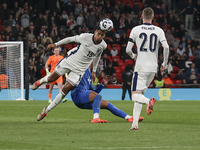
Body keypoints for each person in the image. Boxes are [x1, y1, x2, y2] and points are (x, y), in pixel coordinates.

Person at [32, 18, 114, 122]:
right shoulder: (85, 37)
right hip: (69, 62)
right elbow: (70, 39)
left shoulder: (103, 45)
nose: (99, 37)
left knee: (65, 91)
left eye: (102, 35)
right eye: (99, 34)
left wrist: (93, 71)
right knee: (50, 79)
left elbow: (97, 56)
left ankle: (46, 111)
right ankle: (41, 81)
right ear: (96, 31)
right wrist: (56, 44)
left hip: (79, 71)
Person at [126, 7, 169, 130]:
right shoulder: (159, 30)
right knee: (138, 95)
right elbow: (166, 47)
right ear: (153, 16)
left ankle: (148, 101)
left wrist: (133, 55)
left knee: (134, 96)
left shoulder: (136, 29)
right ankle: (135, 124)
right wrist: (164, 63)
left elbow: (128, 49)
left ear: (142, 16)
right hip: (153, 68)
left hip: (141, 67)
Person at [71, 64, 144, 123]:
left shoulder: (89, 73)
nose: (95, 64)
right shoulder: (80, 67)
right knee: (97, 96)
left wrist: (102, 85)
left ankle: (129, 118)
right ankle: (96, 118)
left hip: (82, 98)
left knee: (107, 104)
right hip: (77, 94)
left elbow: (92, 93)